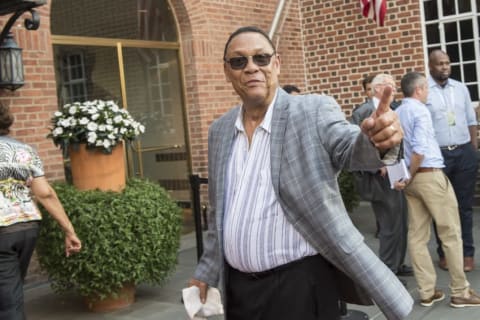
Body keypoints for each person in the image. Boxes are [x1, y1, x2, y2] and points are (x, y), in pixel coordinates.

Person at [188, 26, 413, 320]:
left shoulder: (311, 110)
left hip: (300, 286)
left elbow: (350, 148)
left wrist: (375, 141)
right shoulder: (219, 131)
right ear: (227, 71)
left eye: (261, 58)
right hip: (238, 290)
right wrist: (206, 271)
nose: (252, 67)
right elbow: (219, 213)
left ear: (276, 64)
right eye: (239, 61)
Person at [394, 71, 480, 308]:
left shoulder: (398, 111)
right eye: (426, 89)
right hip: (429, 175)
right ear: (419, 89)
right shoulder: (420, 110)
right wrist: (412, 173)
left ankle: (427, 291)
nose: (428, 92)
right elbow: (420, 149)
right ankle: (460, 291)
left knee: (417, 236)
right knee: (451, 233)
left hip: (410, 181)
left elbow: (395, 149)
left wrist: (405, 177)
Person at [0, 102, 82, 319]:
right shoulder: (25, 151)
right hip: (27, 227)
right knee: (12, 291)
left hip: (2, 232)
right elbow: (45, 193)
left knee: (7, 303)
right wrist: (69, 231)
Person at [351, 73, 412, 280]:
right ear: (377, 88)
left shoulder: (392, 109)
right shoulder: (364, 111)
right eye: (389, 86)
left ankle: (398, 262)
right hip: (380, 177)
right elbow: (357, 144)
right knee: (388, 225)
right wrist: (378, 164)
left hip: (395, 171)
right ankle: (388, 273)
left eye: (394, 86)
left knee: (401, 221)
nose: (393, 89)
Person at [426, 49, 478, 272]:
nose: (445, 67)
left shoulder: (461, 88)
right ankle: (445, 253)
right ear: (431, 66)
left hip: (464, 152)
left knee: (464, 207)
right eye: (440, 64)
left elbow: (470, 119)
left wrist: (473, 149)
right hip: (439, 156)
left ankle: (467, 254)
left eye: (447, 63)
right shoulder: (424, 91)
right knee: (442, 208)